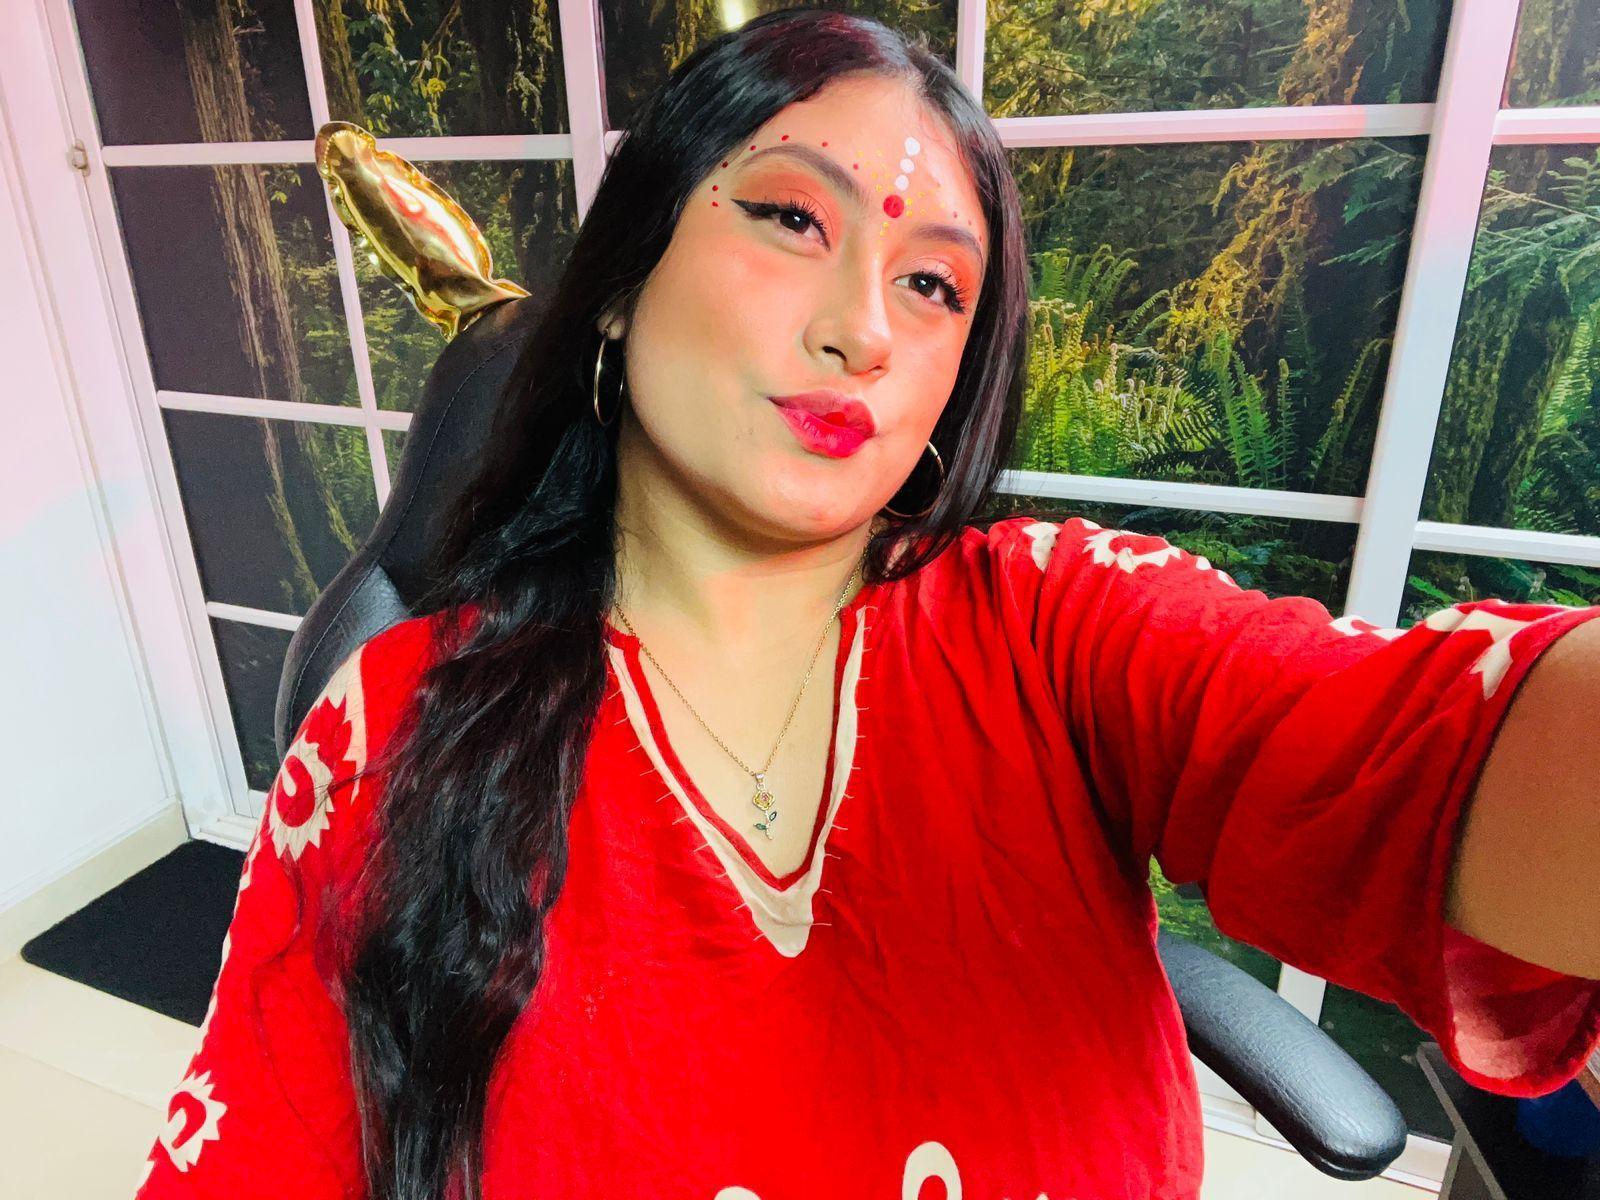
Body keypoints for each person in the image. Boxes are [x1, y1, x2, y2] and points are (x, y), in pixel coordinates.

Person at [132, 10, 1600, 1200]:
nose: (863, 331)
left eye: (936, 289)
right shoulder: (398, 720)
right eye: (790, 217)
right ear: (622, 280)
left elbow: (1426, 747)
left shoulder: (1060, 628)